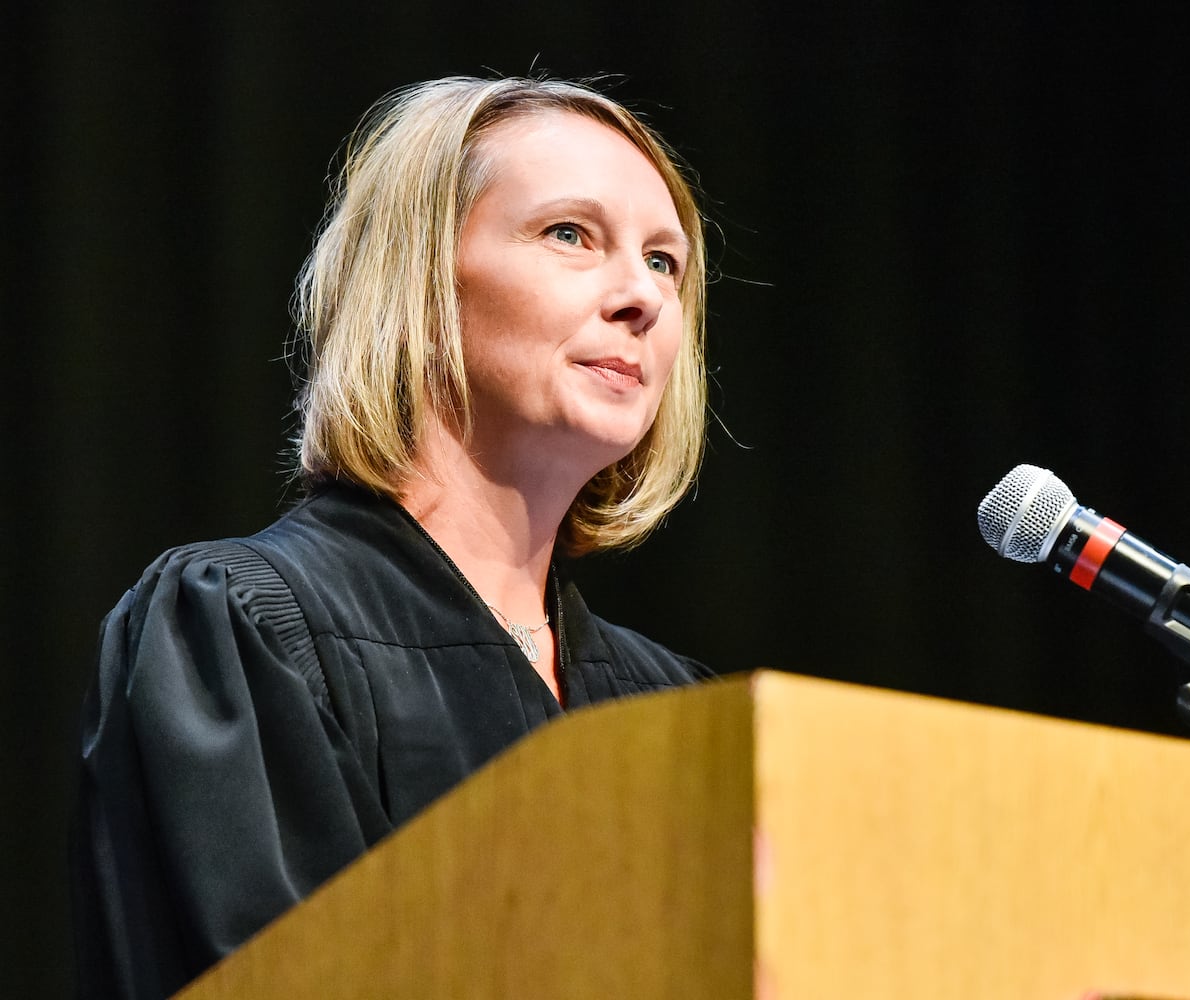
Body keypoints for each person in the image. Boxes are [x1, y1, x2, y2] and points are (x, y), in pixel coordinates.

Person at [69, 75, 718, 1000]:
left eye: (665, 262)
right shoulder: (240, 630)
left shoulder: (675, 708)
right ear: (418, 275)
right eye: (570, 234)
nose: (640, 298)